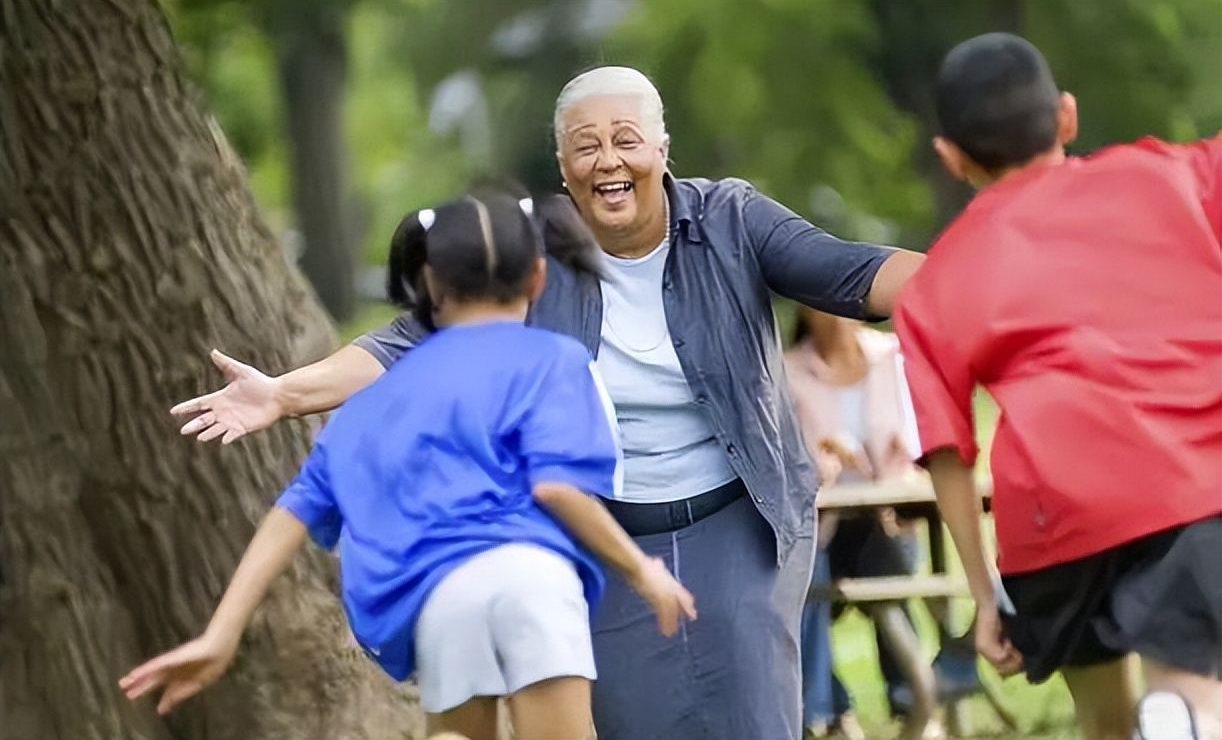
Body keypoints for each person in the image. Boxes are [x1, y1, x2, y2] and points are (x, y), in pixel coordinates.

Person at [171, 66, 924, 738]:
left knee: (751, 710)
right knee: (630, 719)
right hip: (602, 526)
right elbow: (408, 342)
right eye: (585, 146)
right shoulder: (531, 250)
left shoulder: (729, 218)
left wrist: (971, 281)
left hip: (736, 514)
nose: (608, 160)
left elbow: (849, 275)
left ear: (662, 150)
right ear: (563, 168)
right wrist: (281, 393)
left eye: (626, 138)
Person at [120, 191, 697, 740]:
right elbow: (556, 487)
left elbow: (291, 514)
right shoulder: (551, 360)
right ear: (539, 278)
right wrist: (641, 570)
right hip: (533, 582)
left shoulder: (378, 399)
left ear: (430, 285)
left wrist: (221, 634)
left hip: (442, 600)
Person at [895, 33, 1221, 740]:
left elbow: (946, 452)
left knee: (1102, 723)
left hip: (1055, 519)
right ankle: (1182, 714)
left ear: (950, 156)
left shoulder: (934, 284)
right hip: (1192, 481)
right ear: (1066, 117)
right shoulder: (1175, 173)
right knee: (1194, 686)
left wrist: (984, 597)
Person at [785, 309, 975, 738]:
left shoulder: (892, 357)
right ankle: (836, 708)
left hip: (891, 512)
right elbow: (791, 459)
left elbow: (921, 438)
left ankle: (913, 698)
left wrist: (901, 467)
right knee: (803, 581)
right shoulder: (789, 370)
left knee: (883, 563)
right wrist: (828, 457)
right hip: (823, 522)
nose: (834, 317)